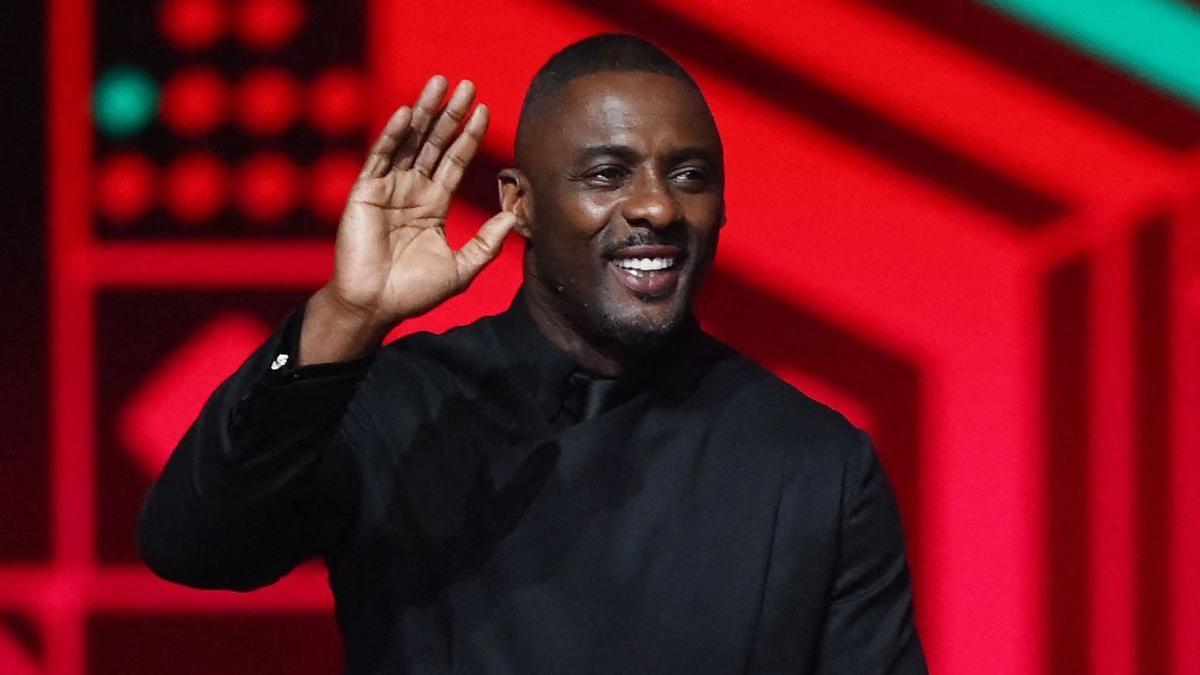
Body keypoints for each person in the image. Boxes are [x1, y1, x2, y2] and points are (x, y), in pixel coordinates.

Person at [138, 34, 926, 674]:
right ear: (520, 202)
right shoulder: (400, 405)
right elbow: (195, 545)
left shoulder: (814, 461)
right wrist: (346, 316)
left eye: (689, 175)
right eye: (607, 174)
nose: (655, 206)